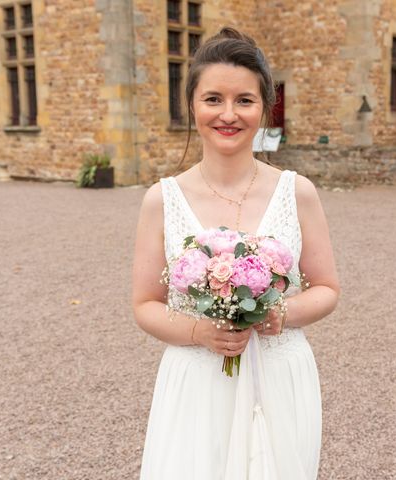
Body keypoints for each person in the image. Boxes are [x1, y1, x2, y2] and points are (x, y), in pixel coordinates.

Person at [132, 27, 340, 479]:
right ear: (191, 104)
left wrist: (280, 312)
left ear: (264, 107)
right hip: (197, 381)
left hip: (279, 377)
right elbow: (145, 304)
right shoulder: (161, 199)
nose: (229, 114)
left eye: (244, 100)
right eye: (213, 99)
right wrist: (200, 332)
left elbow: (326, 289)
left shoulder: (297, 192)